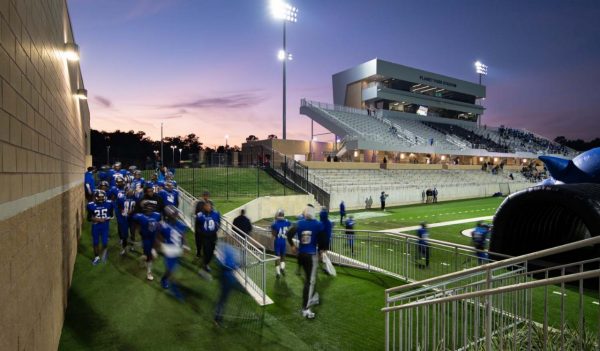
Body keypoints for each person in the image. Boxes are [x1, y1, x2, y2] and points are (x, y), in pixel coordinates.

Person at [286, 205, 325, 319]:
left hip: (301, 255)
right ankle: (305, 308)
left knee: (311, 280)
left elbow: (289, 234)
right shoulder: (317, 224)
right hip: (310, 256)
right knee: (309, 282)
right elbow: (323, 238)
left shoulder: (300, 223)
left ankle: (312, 298)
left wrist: (292, 245)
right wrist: (322, 251)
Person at [158, 205, 189, 300]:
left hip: (177, 249)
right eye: (174, 214)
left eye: (176, 214)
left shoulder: (180, 224)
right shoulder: (163, 225)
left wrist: (185, 245)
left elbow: (183, 235)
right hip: (169, 250)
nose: (176, 215)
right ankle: (176, 292)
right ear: (168, 216)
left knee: (170, 270)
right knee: (172, 271)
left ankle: (163, 279)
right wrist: (162, 244)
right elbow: (158, 235)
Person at [133, 200, 162, 281]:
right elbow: (135, 223)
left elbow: (160, 225)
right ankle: (149, 272)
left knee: (153, 256)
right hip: (146, 239)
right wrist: (138, 231)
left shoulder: (157, 215)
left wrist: (159, 237)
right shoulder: (140, 216)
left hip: (154, 238)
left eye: (151, 208)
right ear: (145, 209)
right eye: (148, 208)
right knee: (150, 256)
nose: (150, 209)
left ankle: (143, 258)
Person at [214, 243, 240, 327]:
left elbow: (219, 263)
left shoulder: (223, 249)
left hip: (225, 278)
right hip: (228, 278)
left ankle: (218, 318)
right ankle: (217, 319)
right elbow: (233, 265)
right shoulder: (232, 251)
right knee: (223, 299)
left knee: (223, 299)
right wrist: (234, 266)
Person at [87, 190, 114, 265]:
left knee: (105, 242)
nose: (101, 199)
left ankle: (104, 253)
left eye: (102, 197)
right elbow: (89, 218)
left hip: (105, 226)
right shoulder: (91, 205)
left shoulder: (109, 204)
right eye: (99, 197)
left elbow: (111, 216)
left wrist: (106, 218)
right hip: (95, 226)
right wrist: (97, 219)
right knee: (95, 242)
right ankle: (96, 257)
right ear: (96, 197)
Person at [196, 201, 221, 277]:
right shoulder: (200, 215)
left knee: (212, 252)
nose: (208, 207)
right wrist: (201, 233)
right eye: (206, 206)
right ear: (204, 207)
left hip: (213, 236)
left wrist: (216, 229)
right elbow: (197, 225)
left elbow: (219, 222)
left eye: (209, 206)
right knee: (206, 251)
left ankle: (206, 264)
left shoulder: (216, 214)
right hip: (205, 236)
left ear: (211, 206)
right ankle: (205, 265)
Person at [271, 209, 291, 278]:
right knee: (283, 257)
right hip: (283, 241)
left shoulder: (275, 224)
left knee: (277, 257)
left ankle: (278, 273)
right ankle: (282, 268)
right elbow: (289, 224)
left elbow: (273, 234)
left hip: (277, 241)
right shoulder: (287, 222)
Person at [194, 190, 214, 258]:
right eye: (205, 195)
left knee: (206, 240)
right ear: (203, 196)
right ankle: (199, 252)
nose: (206, 197)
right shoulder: (199, 203)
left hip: (207, 225)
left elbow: (212, 212)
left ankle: (205, 252)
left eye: (207, 195)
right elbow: (196, 213)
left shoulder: (210, 203)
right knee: (198, 239)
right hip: (199, 224)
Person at [319, 208, 333, 275]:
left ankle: (326, 267)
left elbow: (319, 231)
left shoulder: (321, 223)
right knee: (325, 253)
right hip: (327, 240)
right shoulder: (329, 223)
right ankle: (325, 267)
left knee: (322, 254)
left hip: (321, 240)